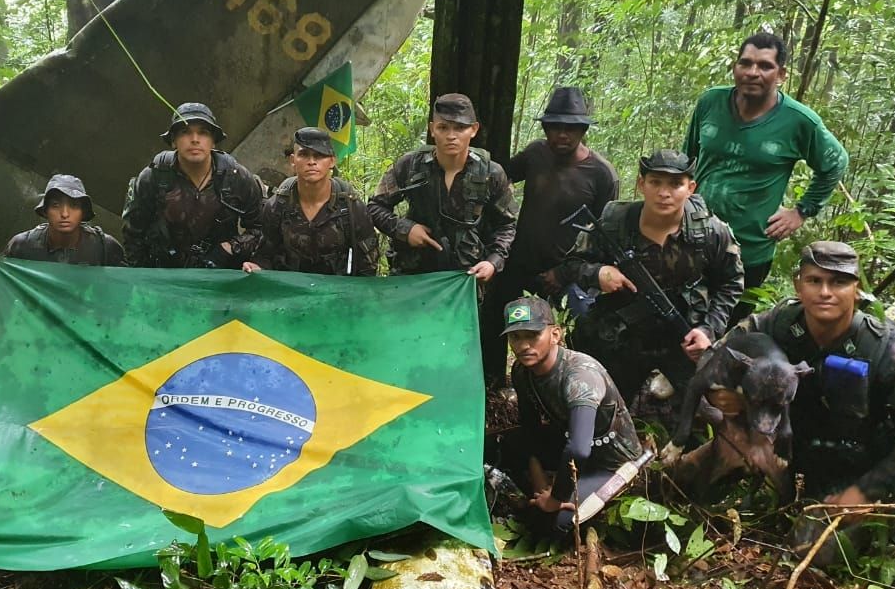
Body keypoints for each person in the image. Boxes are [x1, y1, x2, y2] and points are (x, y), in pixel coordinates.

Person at [722, 242, 895, 562]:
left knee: (810, 552)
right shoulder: (779, 324)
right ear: (799, 285)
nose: (825, 292)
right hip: (784, 445)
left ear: (857, 289)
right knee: (696, 474)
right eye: (815, 281)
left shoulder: (886, 351)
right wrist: (741, 410)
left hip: (851, 470)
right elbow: (720, 358)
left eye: (838, 282)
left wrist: (867, 490)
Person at [557, 149, 744, 409]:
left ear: (691, 188)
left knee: (707, 411)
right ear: (641, 184)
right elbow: (570, 264)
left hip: (684, 336)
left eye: (675, 184)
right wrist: (598, 273)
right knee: (602, 407)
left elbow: (731, 282)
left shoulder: (711, 231)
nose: (664, 193)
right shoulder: (615, 224)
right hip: (623, 337)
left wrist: (708, 329)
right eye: (655, 182)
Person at [684, 32, 848, 311]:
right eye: (745, 63)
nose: (752, 72)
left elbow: (836, 163)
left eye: (764, 66)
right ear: (735, 68)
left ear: (781, 74)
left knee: (729, 333)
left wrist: (801, 211)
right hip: (691, 238)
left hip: (748, 250)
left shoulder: (798, 120)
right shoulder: (711, 102)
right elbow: (686, 159)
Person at [483, 87, 619, 385]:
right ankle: (493, 381)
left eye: (571, 128)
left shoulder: (602, 174)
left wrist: (565, 271)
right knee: (493, 315)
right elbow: (497, 179)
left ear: (583, 130)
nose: (562, 135)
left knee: (586, 327)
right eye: (555, 127)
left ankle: (579, 387)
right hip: (520, 261)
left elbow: (604, 236)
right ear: (545, 128)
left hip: (567, 271)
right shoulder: (535, 154)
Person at [498, 296, 644, 538]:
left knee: (556, 522)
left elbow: (579, 449)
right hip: (569, 443)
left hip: (610, 462)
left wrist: (555, 498)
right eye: (515, 337)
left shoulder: (580, 376)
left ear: (555, 334)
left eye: (532, 336)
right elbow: (529, 427)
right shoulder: (523, 372)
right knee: (505, 444)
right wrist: (537, 474)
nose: (523, 346)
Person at [367, 92, 517, 280]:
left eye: (460, 128)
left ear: (474, 129)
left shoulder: (491, 173)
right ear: (432, 129)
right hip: (413, 274)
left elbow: (507, 225)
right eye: (443, 127)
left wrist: (493, 262)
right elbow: (374, 207)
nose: (451, 136)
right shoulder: (410, 165)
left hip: (465, 276)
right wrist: (405, 229)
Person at [122, 103, 265, 268]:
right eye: (185, 132)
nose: (195, 139)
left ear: (213, 142)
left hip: (220, 275)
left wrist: (231, 248)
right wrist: (143, 278)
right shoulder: (153, 177)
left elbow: (261, 229)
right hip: (165, 273)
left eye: (203, 133)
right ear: (174, 141)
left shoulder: (236, 177)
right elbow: (132, 235)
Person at [243, 127, 378, 276]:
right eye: (304, 155)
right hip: (289, 290)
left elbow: (367, 268)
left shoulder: (351, 207)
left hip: (335, 292)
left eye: (319, 156)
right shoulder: (278, 205)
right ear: (293, 160)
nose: (312, 162)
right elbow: (265, 255)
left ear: (332, 161)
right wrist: (256, 267)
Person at [0, 173, 123, 281]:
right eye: (56, 205)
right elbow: (3, 293)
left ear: (83, 213)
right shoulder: (22, 245)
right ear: (45, 211)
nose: (65, 214)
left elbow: (127, 292)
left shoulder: (105, 247)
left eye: (74, 206)